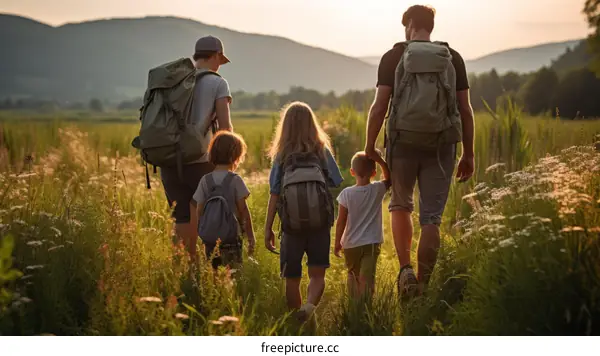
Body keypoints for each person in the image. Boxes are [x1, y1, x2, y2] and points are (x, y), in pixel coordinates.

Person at [364, 5, 475, 297]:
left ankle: (405, 272)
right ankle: (423, 287)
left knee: (400, 205)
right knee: (431, 218)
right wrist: (469, 153)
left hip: (402, 142)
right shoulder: (453, 58)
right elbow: (465, 110)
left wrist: (369, 146)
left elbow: (379, 108)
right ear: (431, 26)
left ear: (410, 24)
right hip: (442, 144)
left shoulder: (393, 56)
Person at [264, 102, 343, 321]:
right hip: (320, 223)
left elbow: (274, 193)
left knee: (292, 277)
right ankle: (308, 308)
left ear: (285, 126)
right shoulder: (321, 149)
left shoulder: (282, 154)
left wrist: (268, 228)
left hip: (291, 225)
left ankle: (296, 323)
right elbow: (335, 181)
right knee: (317, 274)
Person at [160, 36, 233, 263]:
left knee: (181, 217)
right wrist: (229, 161)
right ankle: (213, 274)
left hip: (170, 159)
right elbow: (225, 128)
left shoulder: (175, 80)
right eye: (220, 59)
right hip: (201, 160)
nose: (220, 64)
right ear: (214, 56)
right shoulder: (218, 83)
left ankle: (185, 273)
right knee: (211, 214)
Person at [193, 131, 256, 269]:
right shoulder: (235, 180)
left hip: (210, 240)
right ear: (236, 156)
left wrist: (202, 231)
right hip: (231, 239)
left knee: (213, 272)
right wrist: (250, 237)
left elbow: (199, 209)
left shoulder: (205, 180)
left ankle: (216, 290)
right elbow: (243, 210)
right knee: (233, 273)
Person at [334, 151, 390, 299]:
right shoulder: (377, 189)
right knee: (367, 278)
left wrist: (337, 243)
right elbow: (389, 178)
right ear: (374, 172)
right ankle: (365, 308)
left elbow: (341, 222)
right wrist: (381, 160)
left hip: (350, 244)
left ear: (352, 172)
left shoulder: (346, 194)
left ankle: (354, 308)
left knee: (352, 275)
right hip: (370, 243)